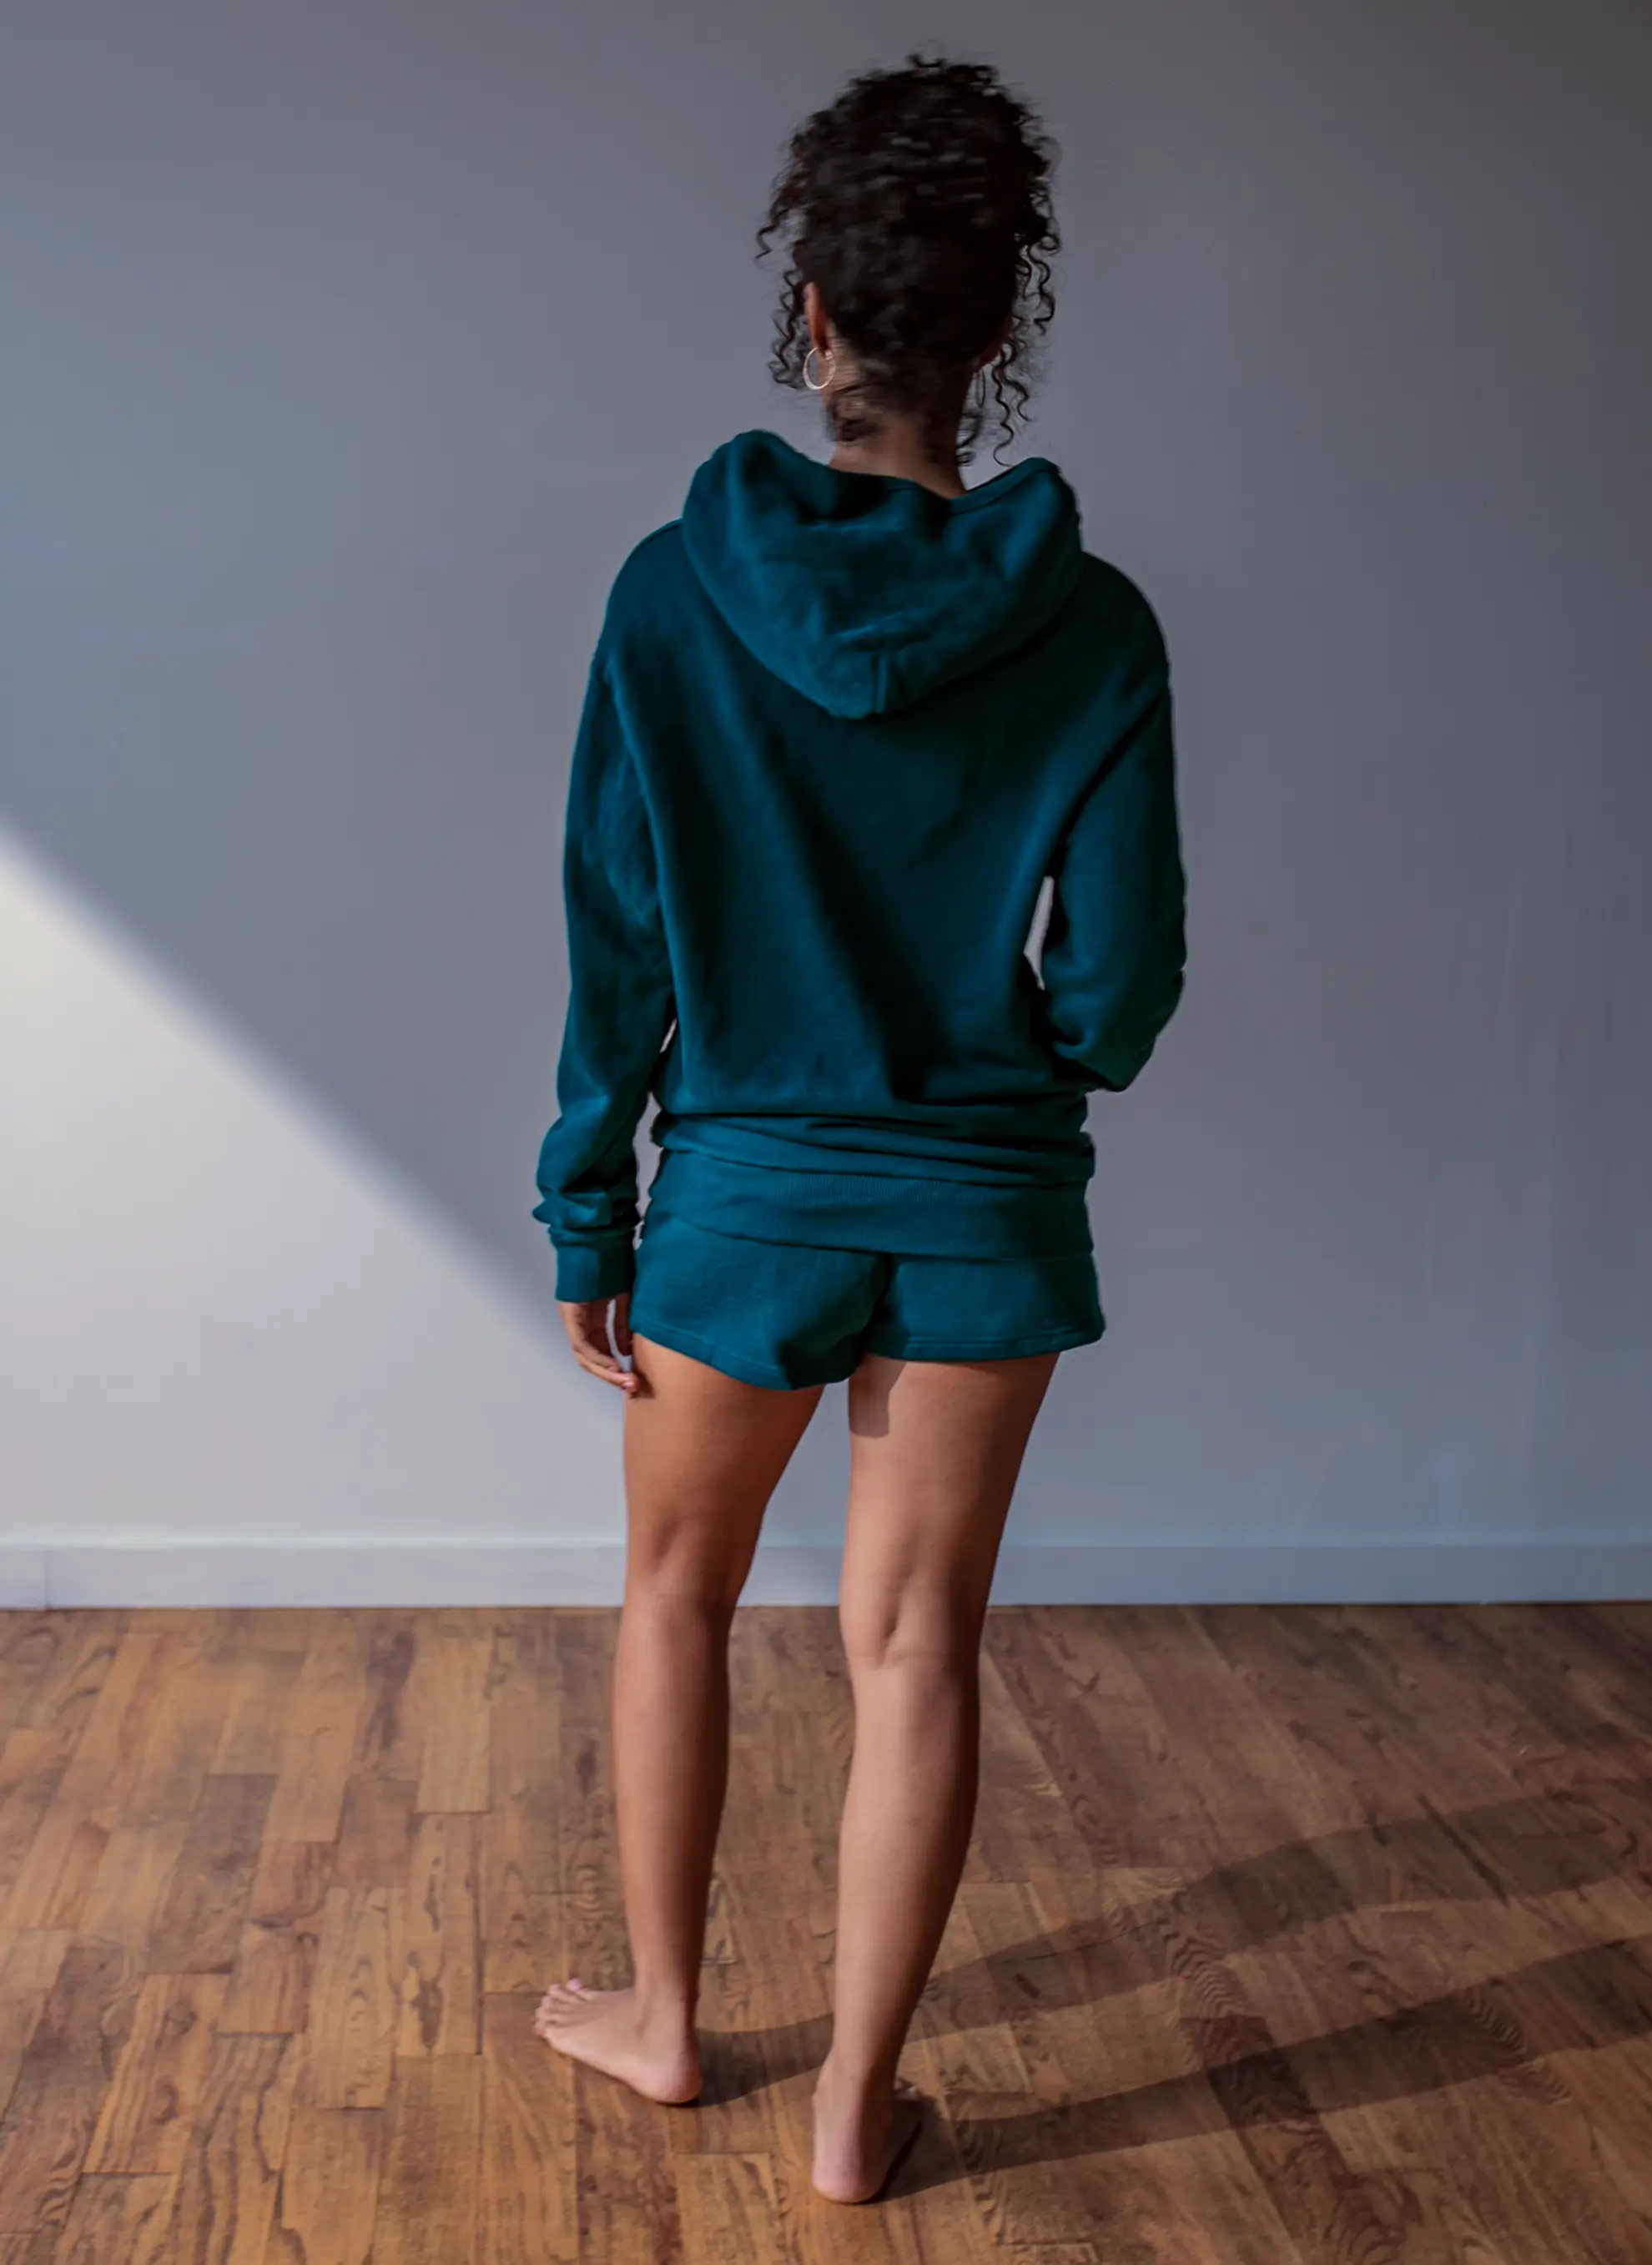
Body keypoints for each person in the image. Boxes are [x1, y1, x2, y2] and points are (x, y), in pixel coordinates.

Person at [529, 53, 1186, 2206]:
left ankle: (665, 2018)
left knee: (673, 1598)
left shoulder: (667, 592)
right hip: (984, 1209)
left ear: (810, 316)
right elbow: (1120, 992)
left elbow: (617, 932)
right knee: (914, 1647)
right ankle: (851, 2111)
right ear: (996, 338)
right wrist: (1006, 1055)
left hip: (736, 1194)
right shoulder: (1092, 626)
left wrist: (582, 1207)